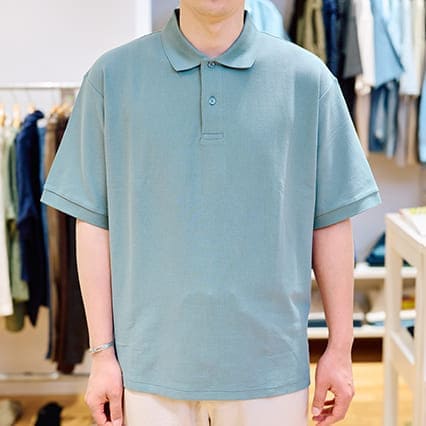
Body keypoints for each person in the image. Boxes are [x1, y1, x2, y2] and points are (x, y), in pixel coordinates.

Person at [40, 1, 381, 425]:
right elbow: (93, 223)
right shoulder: (110, 78)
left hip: (271, 369)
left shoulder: (308, 81)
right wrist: (102, 354)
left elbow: (330, 221)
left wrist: (341, 349)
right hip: (145, 370)